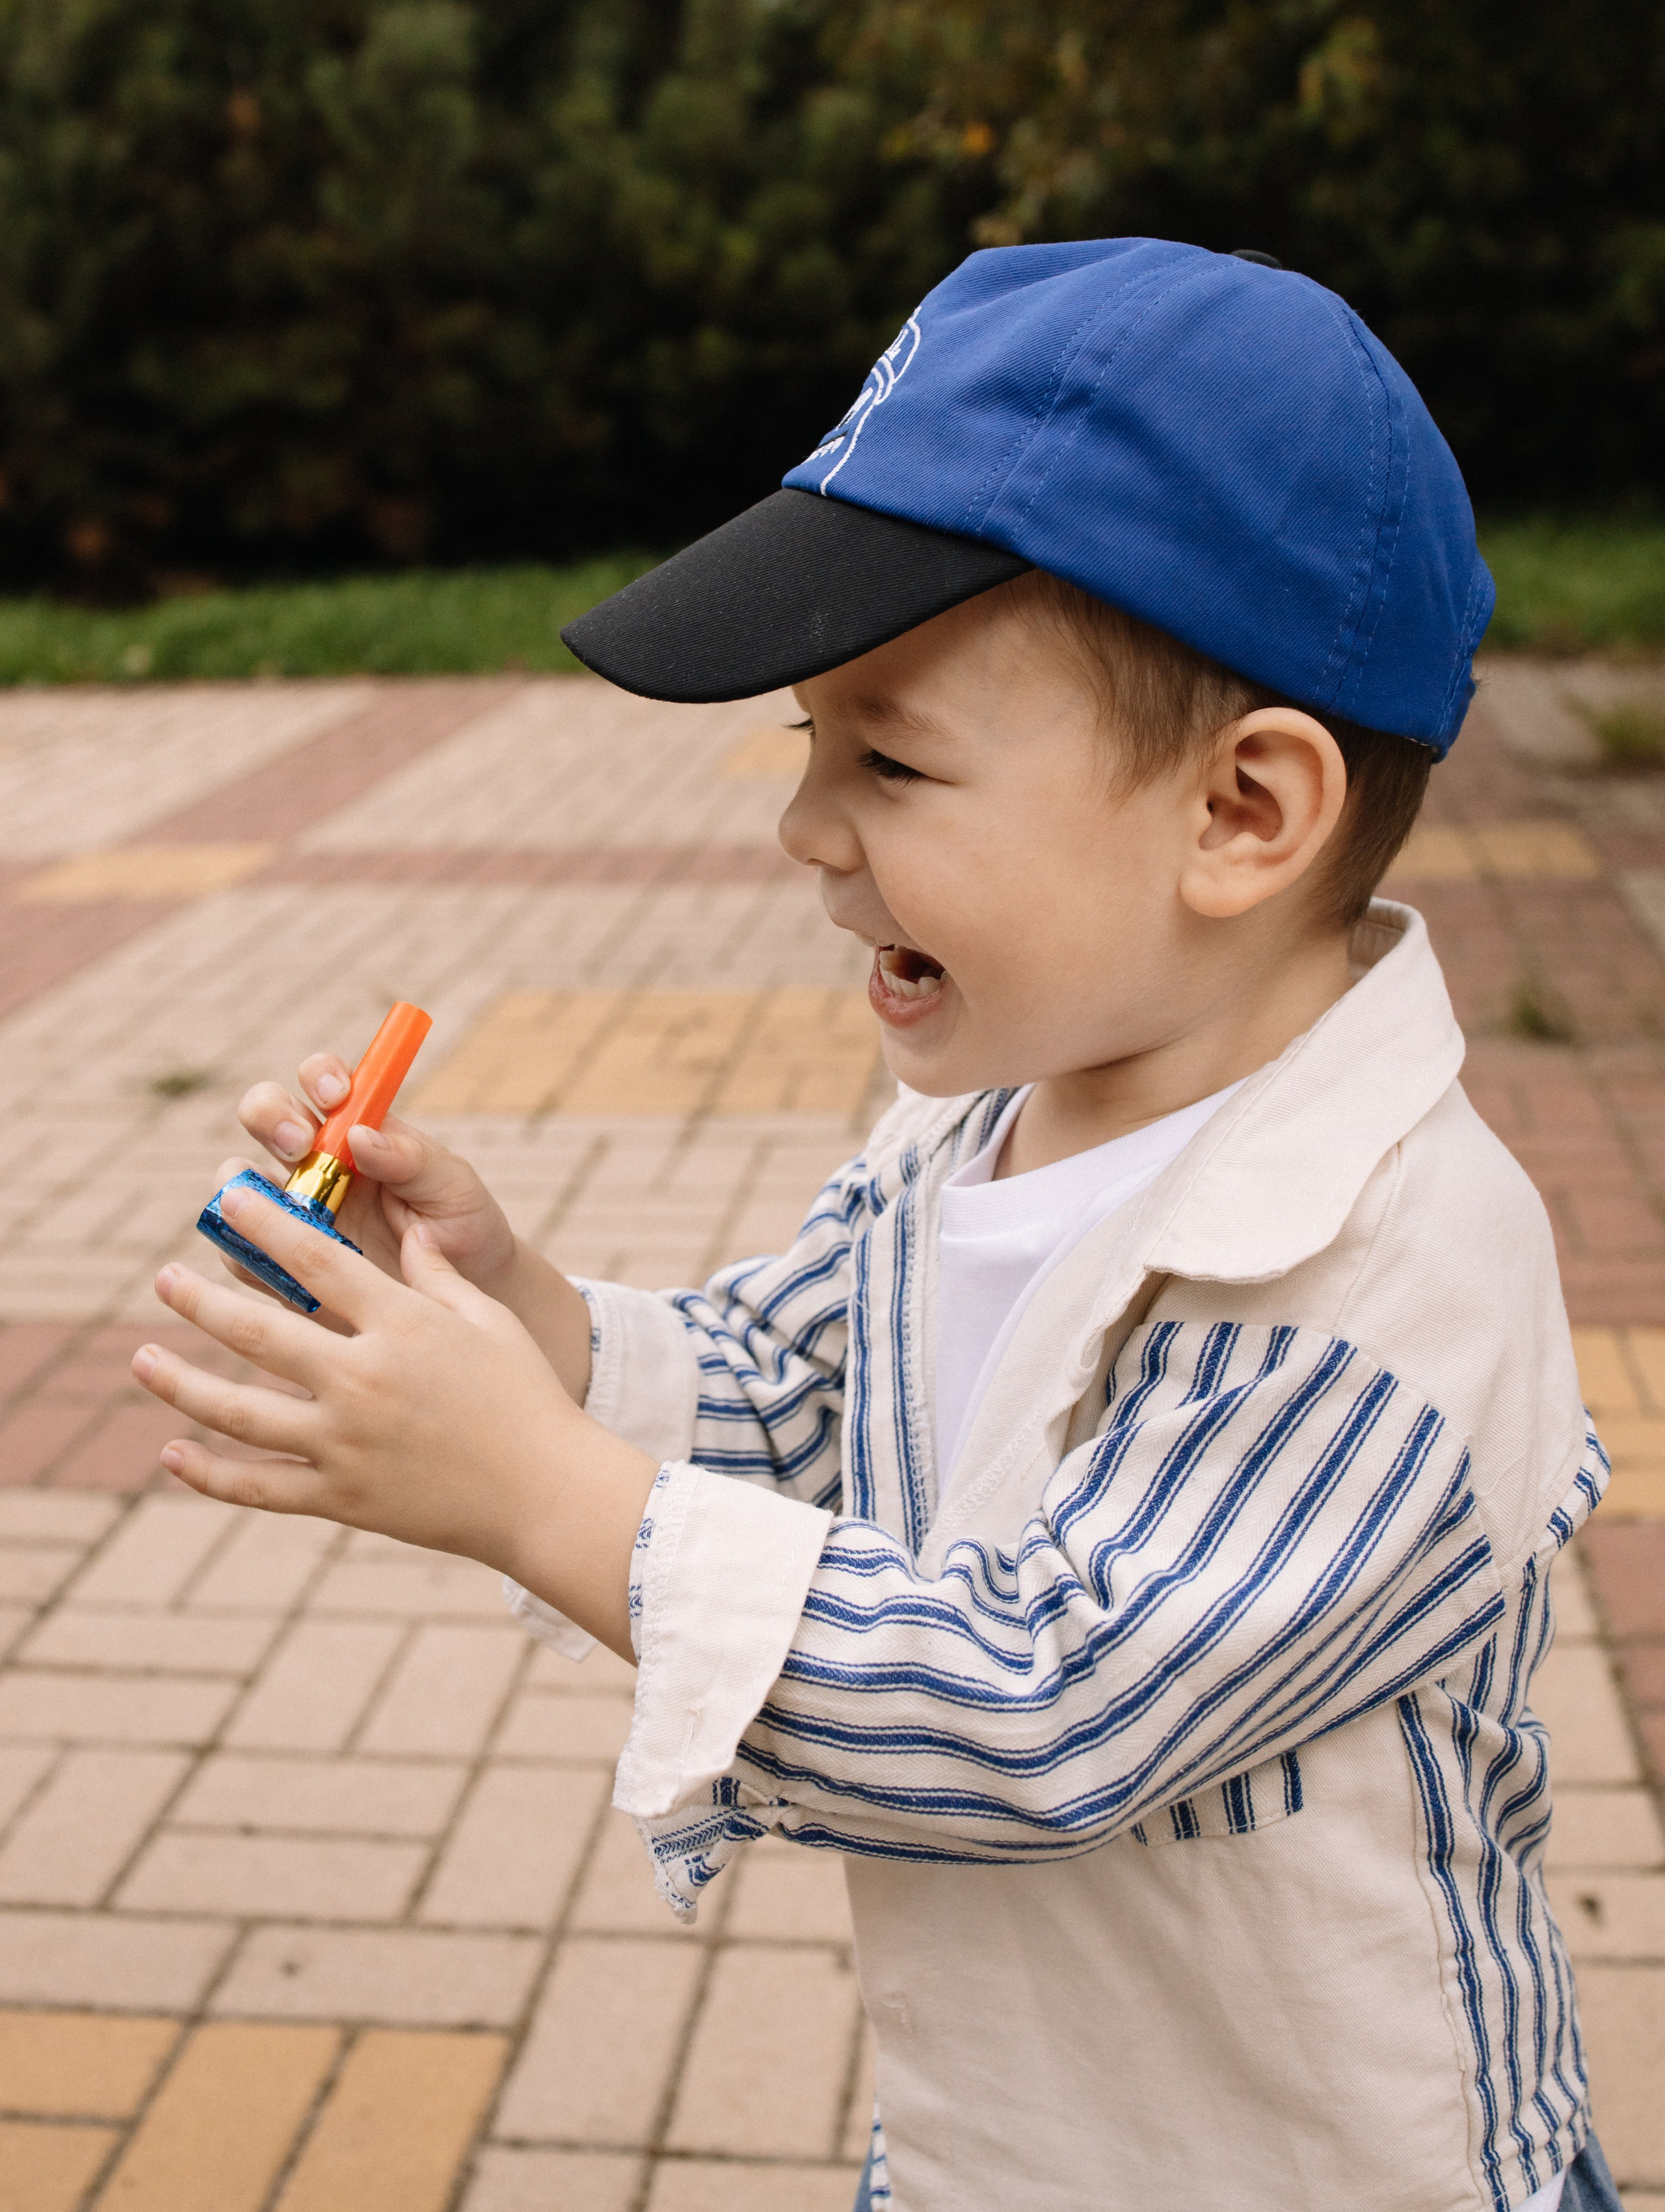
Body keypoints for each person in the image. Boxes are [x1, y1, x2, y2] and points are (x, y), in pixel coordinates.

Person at [132, 238, 1619, 2212]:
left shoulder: (1391, 1272)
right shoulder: (977, 1122)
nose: (806, 828)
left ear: (1243, 815)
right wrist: (517, 1314)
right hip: (996, 2156)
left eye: (891, 760)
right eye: (808, 743)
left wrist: (534, 1490)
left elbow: (1038, 1709)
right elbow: (792, 1385)